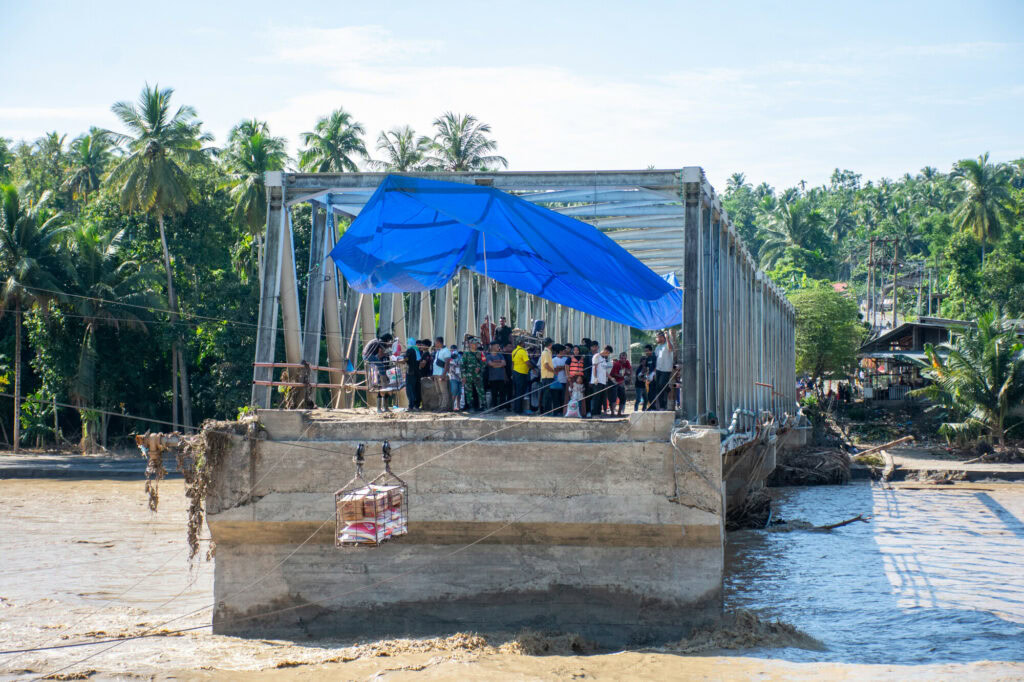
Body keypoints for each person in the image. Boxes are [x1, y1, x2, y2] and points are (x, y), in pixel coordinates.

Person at [461, 338, 485, 412]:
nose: (475, 345)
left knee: (480, 391)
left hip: (477, 376)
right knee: (469, 392)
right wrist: (463, 376)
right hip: (468, 376)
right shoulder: (466, 353)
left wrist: (480, 368)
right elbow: (462, 365)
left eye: (476, 344)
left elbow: (484, 362)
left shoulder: (480, 353)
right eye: (474, 343)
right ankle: (471, 406)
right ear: (470, 344)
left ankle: (483, 406)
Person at [590, 345, 613, 418]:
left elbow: (604, 370)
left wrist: (610, 377)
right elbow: (594, 368)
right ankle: (594, 414)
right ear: (606, 351)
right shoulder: (596, 356)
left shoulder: (604, 358)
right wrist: (595, 378)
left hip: (603, 381)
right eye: (608, 353)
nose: (608, 355)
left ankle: (599, 413)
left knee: (601, 397)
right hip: (597, 381)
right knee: (596, 397)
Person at [653, 330, 674, 410]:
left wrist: (667, 338)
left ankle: (667, 389)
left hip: (666, 369)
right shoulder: (657, 347)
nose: (656, 339)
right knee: (658, 388)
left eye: (657, 338)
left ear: (662, 337)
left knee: (662, 385)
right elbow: (656, 359)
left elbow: (671, 349)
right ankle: (662, 406)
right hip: (658, 369)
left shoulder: (667, 344)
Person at [403, 337, 426, 411]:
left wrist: (402, 358)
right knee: (415, 389)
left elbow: (406, 359)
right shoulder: (417, 350)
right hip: (417, 373)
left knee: (409, 390)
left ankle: (411, 406)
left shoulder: (409, 350)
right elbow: (419, 361)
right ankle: (416, 405)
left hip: (410, 372)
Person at [431, 337, 452, 412]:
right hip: (436, 374)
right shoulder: (438, 351)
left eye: (435, 342)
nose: (435, 344)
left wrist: (444, 374)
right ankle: (440, 405)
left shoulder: (446, 351)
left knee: (444, 391)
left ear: (439, 342)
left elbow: (447, 364)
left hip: (441, 374)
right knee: (438, 391)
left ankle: (444, 406)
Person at [485, 342, 508, 411]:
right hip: (492, 378)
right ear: (492, 347)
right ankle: (494, 407)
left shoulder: (500, 355)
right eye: (497, 346)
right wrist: (499, 364)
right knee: (494, 393)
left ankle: (502, 407)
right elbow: (490, 364)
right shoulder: (488, 356)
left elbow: (504, 364)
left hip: (501, 377)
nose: (498, 347)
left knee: (502, 393)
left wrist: (495, 364)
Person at [511, 338, 531, 414]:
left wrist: (512, 373)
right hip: (522, 373)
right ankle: (519, 410)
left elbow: (512, 363)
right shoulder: (523, 351)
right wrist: (533, 368)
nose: (524, 344)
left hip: (515, 372)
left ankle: (517, 409)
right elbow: (527, 362)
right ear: (521, 343)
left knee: (517, 392)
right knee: (521, 392)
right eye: (524, 342)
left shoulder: (514, 351)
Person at [610, 351, 631, 416]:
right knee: (613, 398)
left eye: (624, 358)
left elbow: (630, 370)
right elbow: (614, 374)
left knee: (623, 397)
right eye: (622, 358)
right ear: (620, 358)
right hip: (614, 382)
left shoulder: (627, 362)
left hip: (621, 382)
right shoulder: (617, 364)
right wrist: (623, 376)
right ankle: (612, 412)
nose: (623, 360)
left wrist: (629, 376)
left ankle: (619, 412)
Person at [550, 344, 569, 414]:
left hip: (564, 381)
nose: (564, 352)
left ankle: (562, 412)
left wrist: (561, 367)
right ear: (560, 351)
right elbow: (555, 369)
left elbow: (566, 368)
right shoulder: (553, 360)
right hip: (556, 382)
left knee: (563, 398)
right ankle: (556, 412)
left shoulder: (566, 359)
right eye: (563, 351)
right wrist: (563, 367)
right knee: (556, 398)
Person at [635, 345, 655, 411]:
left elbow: (656, 367)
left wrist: (652, 374)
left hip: (654, 377)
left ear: (650, 350)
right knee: (649, 395)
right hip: (648, 380)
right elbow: (645, 368)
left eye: (647, 351)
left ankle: (653, 407)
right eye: (645, 351)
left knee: (651, 394)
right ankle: (649, 408)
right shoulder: (647, 358)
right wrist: (641, 374)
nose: (646, 352)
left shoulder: (654, 357)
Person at [445, 344, 463, 412]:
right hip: (453, 376)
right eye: (452, 350)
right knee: (454, 390)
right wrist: (452, 357)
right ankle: (451, 406)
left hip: (460, 376)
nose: (453, 351)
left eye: (454, 349)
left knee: (459, 392)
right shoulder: (449, 356)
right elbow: (448, 364)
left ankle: (458, 406)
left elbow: (462, 363)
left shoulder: (460, 356)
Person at [539, 338, 555, 413]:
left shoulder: (548, 352)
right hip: (547, 376)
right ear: (550, 344)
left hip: (548, 376)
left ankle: (547, 410)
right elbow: (546, 365)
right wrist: (554, 371)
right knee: (546, 394)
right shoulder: (546, 352)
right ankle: (546, 410)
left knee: (547, 394)